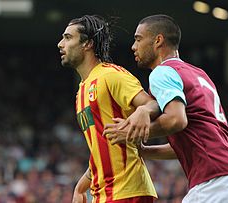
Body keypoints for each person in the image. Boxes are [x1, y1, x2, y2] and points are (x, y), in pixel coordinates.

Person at [103, 14, 228, 202]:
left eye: (138, 39)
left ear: (158, 40)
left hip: (217, 180)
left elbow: (177, 119)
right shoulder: (199, 74)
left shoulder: (162, 73)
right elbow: (192, 140)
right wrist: (145, 151)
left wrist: (132, 132)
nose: (133, 46)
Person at [57, 15, 159, 203]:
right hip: (102, 194)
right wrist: (81, 186)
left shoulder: (111, 75)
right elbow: (101, 149)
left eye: (68, 37)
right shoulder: (81, 91)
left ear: (87, 44)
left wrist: (143, 111)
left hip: (128, 191)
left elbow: (153, 104)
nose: (60, 44)